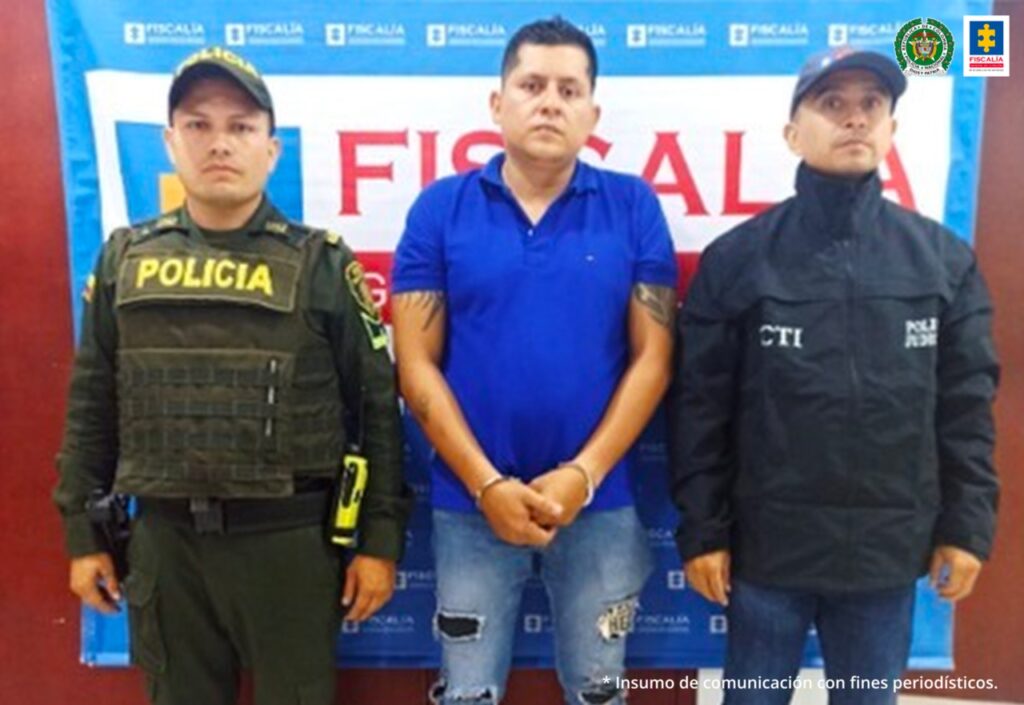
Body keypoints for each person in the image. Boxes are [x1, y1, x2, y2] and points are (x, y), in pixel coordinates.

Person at [53, 46, 412, 705]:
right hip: (165, 545)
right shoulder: (125, 259)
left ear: (271, 150)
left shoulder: (323, 263)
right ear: (170, 142)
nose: (219, 143)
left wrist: (380, 543)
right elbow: (92, 406)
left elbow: (377, 412)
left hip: (290, 544)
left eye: (240, 127)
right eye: (198, 125)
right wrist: (83, 535)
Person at [668, 46, 999, 705]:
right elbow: (699, 410)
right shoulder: (737, 260)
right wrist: (703, 531)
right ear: (793, 133)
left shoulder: (942, 262)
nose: (854, 118)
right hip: (767, 556)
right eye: (832, 104)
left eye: (871, 104)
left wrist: (966, 527)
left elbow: (965, 410)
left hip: (884, 560)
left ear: (891, 129)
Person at [391, 17, 678, 705]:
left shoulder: (633, 206)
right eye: (532, 85)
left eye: (569, 90)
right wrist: (487, 484)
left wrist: (583, 474)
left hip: (599, 504)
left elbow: (654, 360)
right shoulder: (440, 209)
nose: (550, 102)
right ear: (498, 103)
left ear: (592, 114)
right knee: (468, 694)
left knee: (600, 692)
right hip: (469, 504)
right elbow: (416, 365)